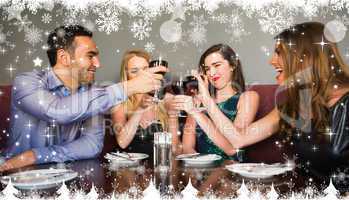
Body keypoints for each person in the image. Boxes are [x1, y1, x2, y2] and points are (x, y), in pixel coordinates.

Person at [179, 22, 349, 174]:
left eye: (278, 52)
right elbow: (238, 139)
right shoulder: (292, 105)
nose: (271, 60)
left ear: (304, 57)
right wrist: (205, 102)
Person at [0, 25, 167, 172]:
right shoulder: (26, 82)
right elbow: (57, 111)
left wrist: (35, 155)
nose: (98, 63)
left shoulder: (93, 93)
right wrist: (129, 87)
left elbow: (92, 145)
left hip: (66, 175)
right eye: (90, 55)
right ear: (64, 57)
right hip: (18, 174)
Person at [172, 44, 259, 161]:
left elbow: (234, 147)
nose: (211, 73)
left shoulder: (248, 98)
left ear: (233, 65)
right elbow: (187, 148)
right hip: (200, 170)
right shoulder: (198, 101)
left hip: (232, 169)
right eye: (207, 69)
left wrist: (199, 110)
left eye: (217, 65)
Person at [112, 49, 181, 156]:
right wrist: (140, 109)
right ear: (127, 75)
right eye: (134, 71)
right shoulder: (119, 103)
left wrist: (172, 114)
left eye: (145, 70)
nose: (141, 76)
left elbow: (174, 151)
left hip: (160, 167)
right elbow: (122, 143)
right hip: (129, 169)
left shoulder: (166, 101)